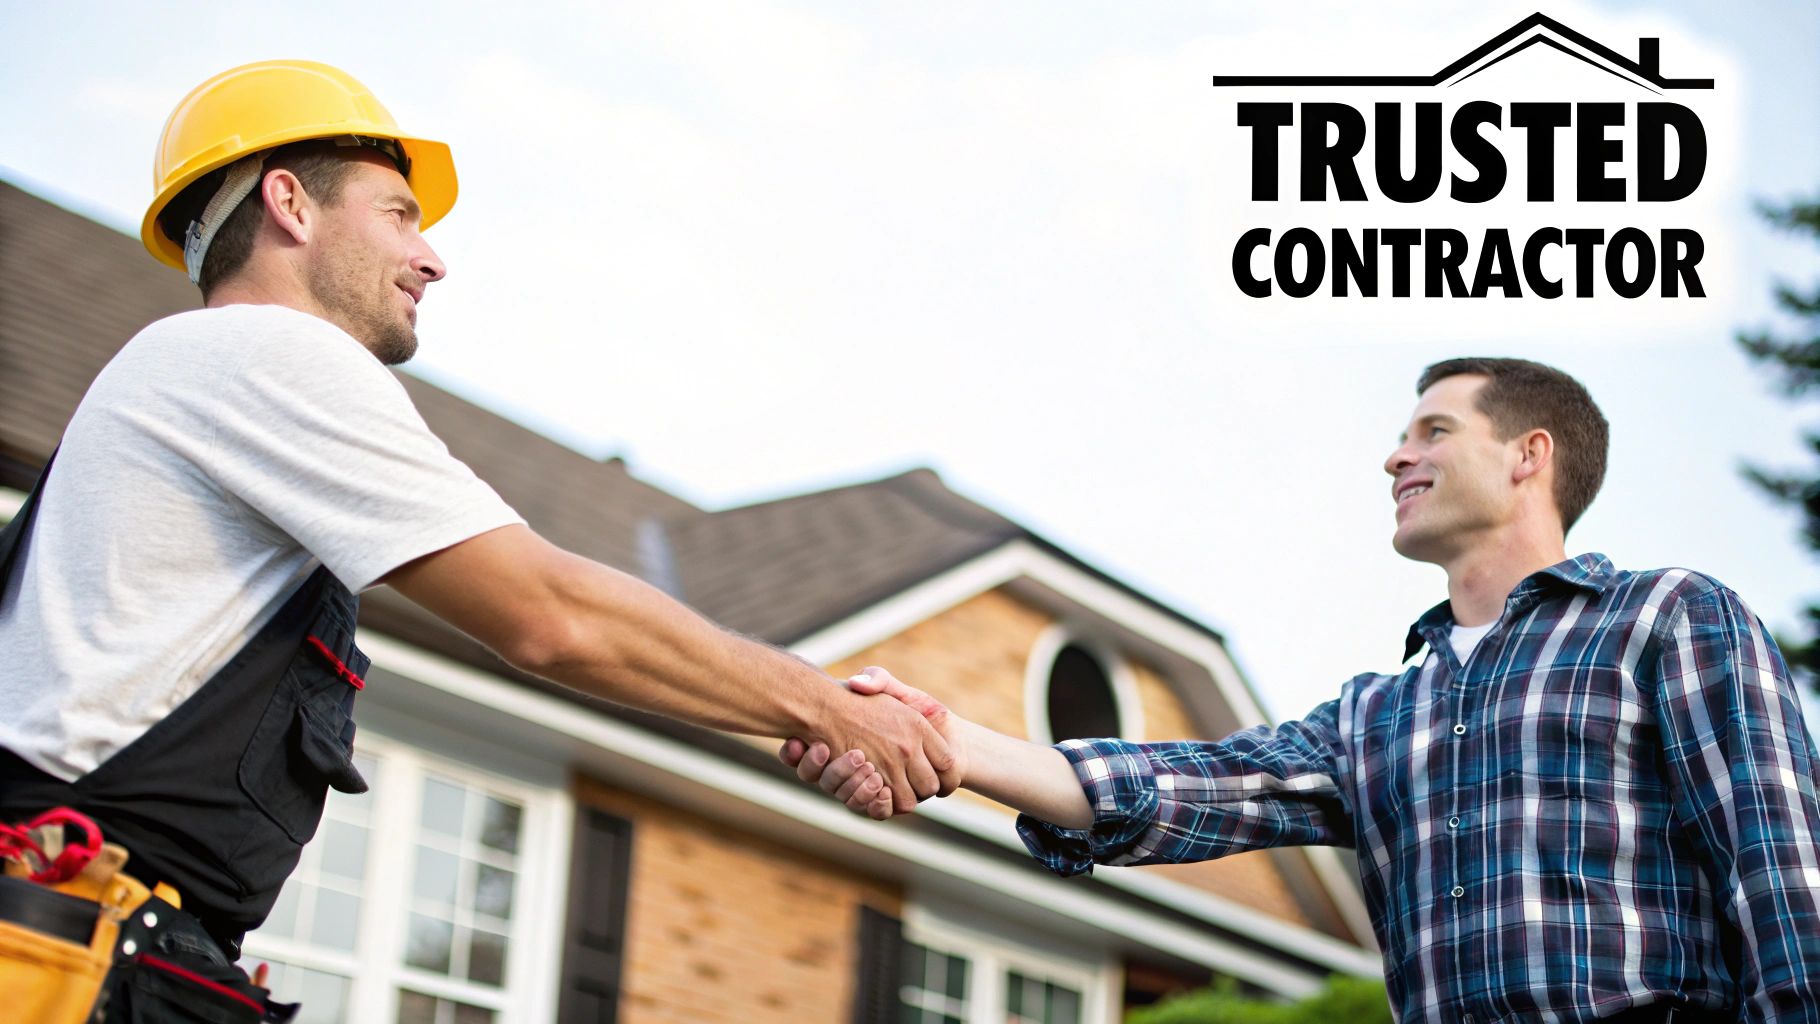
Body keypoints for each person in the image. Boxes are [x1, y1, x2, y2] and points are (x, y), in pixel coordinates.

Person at [0, 58, 955, 1000]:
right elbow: (551, 614)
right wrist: (831, 710)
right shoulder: (260, 350)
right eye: (398, 213)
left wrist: (807, 712)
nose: (432, 257)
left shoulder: (189, 382)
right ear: (290, 204)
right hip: (77, 953)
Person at [787, 358, 1820, 1023]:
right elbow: (1188, 781)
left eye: (1431, 430)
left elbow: (1784, 883)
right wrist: (949, 741)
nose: (1394, 454)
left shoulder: (1665, 617)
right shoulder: (1376, 714)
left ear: (1525, 456)